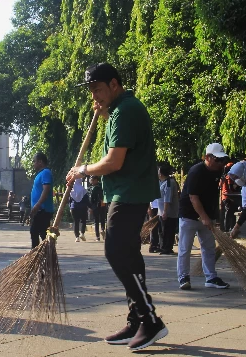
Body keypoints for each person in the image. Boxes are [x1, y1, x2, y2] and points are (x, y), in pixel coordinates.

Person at [67, 63, 167, 351]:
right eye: (92, 92)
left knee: (115, 251)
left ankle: (150, 320)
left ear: (114, 84)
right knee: (129, 255)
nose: (94, 97)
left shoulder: (126, 111)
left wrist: (82, 170)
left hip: (129, 193)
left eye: (98, 90)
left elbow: (114, 162)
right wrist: (105, 112)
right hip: (124, 192)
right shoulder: (118, 112)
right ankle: (136, 319)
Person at [177, 143, 231, 291]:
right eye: (217, 159)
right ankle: (183, 277)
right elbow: (194, 197)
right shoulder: (196, 171)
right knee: (185, 248)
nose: (220, 163)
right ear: (207, 157)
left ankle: (211, 277)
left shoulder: (218, 171)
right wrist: (204, 217)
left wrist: (212, 217)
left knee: (209, 248)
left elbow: (213, 196)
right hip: (189, 215)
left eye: (222, 160)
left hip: (207, 215)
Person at [29, 152, 54, 249]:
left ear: (40, 162)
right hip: (39, 210)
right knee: (40, 233)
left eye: (34, 161)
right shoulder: (41, 174)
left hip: (43, 210)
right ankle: (43, 255)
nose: (33, 164)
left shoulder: (46, 172)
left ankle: (38, 254)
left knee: (37, 232)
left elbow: (46, 189)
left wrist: (38, 204)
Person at [158, 164, 179, 255]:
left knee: (168, 230)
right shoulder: (162, 182)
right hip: (162, 211)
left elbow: (167, 198)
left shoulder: (169, 183)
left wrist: (165, 212)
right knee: (163, 230)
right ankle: (163, 247)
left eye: (158, 171)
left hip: (169, 212)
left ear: (161, 173)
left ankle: (167, 247)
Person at [220, 162, 238, 232]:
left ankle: (228, 228)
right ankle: (227, 229)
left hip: (224, 197)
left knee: (228, 212)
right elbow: (231, 188)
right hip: (229, 197)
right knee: (229, 213)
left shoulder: (223, 177)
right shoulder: (229, 176)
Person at [88, 176, 106, 241]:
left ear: (95, 180)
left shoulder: (93, 188)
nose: (91, 182)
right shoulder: (102, 186)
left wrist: (90, 207)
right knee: (102, 218)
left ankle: (97, 237)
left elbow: (91, 199)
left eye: (92, 180)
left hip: (95, 206)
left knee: (96, 221)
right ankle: (103, 229)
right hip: (103, 204)